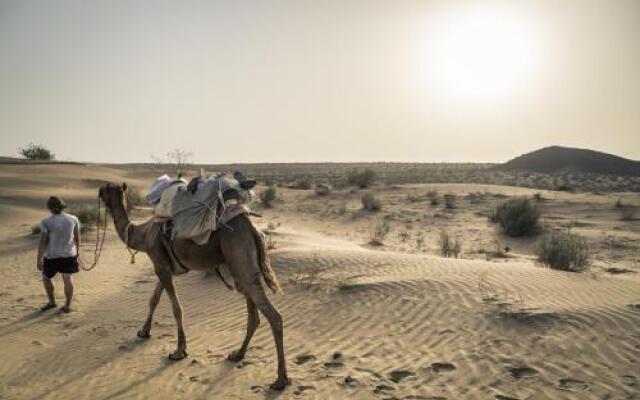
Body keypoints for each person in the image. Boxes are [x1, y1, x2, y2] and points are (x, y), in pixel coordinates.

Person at [36, 196, 81, 313]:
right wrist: (78, 251)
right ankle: (67, 305)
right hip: (69, 255)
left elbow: (43, 242)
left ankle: (52, 302)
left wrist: (39, 258)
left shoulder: (46, 222)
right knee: (68, 278)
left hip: (52, 256)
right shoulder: (73, 218)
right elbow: (77, 237)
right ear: (62, 206)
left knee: (46, 278)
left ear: (49, 208)